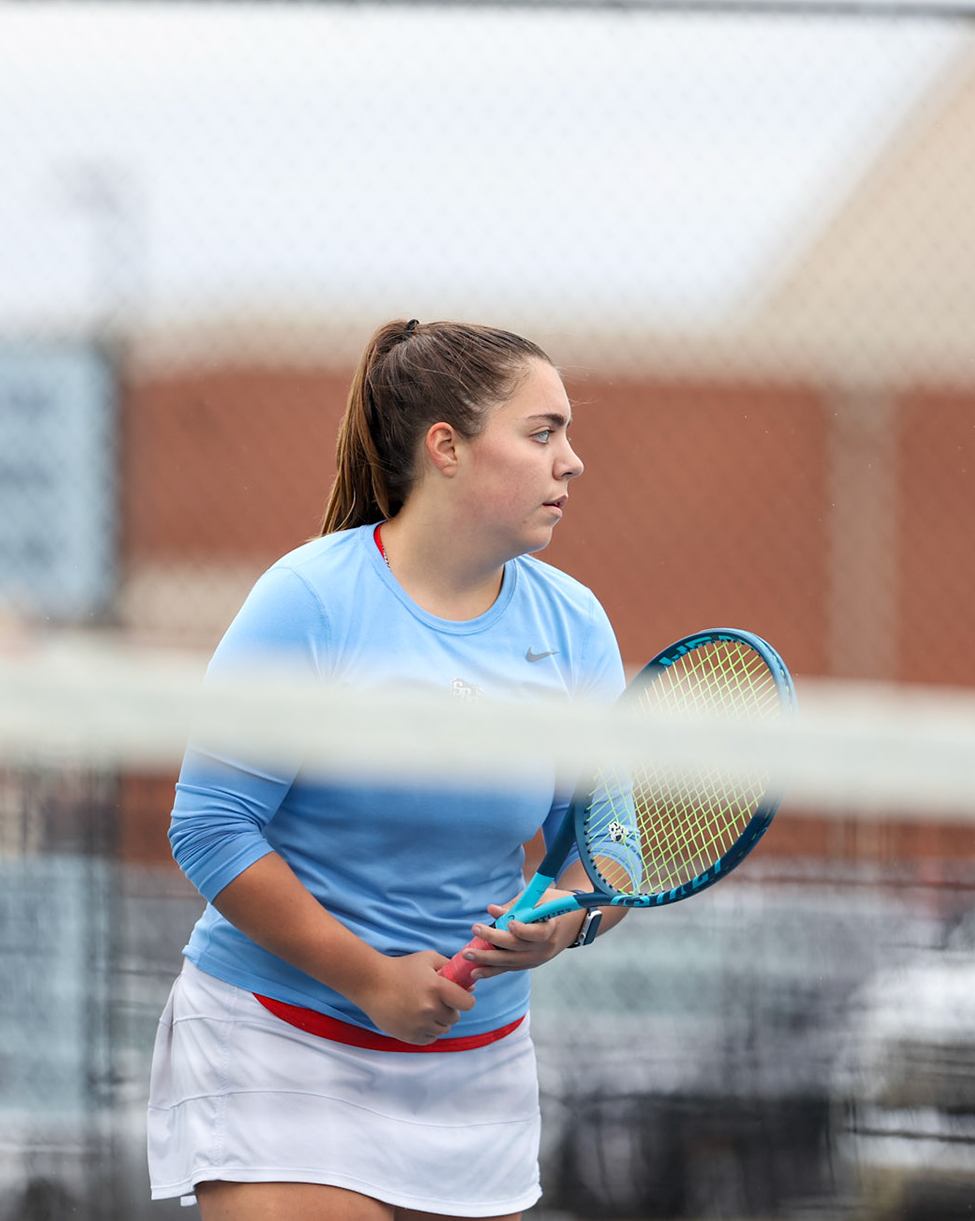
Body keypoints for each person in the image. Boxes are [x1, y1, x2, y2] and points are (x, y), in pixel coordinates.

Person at [149, 318, 626, 1220]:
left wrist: (565, 926)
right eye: (542, 432)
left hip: (476, 1068)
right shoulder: (309, 599)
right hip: (277, 1040)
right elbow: (208, 826)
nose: (572, 461)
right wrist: (368, 976)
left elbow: (608, 845)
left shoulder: (573, 625)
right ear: (446, 447)